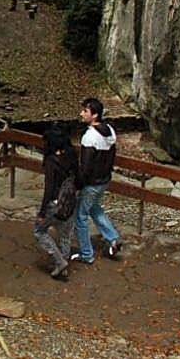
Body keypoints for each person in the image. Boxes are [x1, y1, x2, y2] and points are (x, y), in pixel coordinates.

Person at [72, 96, 122, 264]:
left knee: (81, 217)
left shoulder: (89, 137)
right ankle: (113, 238)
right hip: (105, 180)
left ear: (94, 115)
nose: (81, 114)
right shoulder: (110, 130)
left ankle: (86, 254)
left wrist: (78, 185)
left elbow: (86, 167)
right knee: (94, 208)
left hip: (92, 184)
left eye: (85, 111)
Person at [34, 125, 77, 280]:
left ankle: (60, 262)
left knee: (39, 231)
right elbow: (78, 177)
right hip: (70, 200)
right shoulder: (72, 154)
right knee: (66, 234)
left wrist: (42, 212)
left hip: (55, 202)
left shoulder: (51, 162)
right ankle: (64, 265)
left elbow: (49, 188)